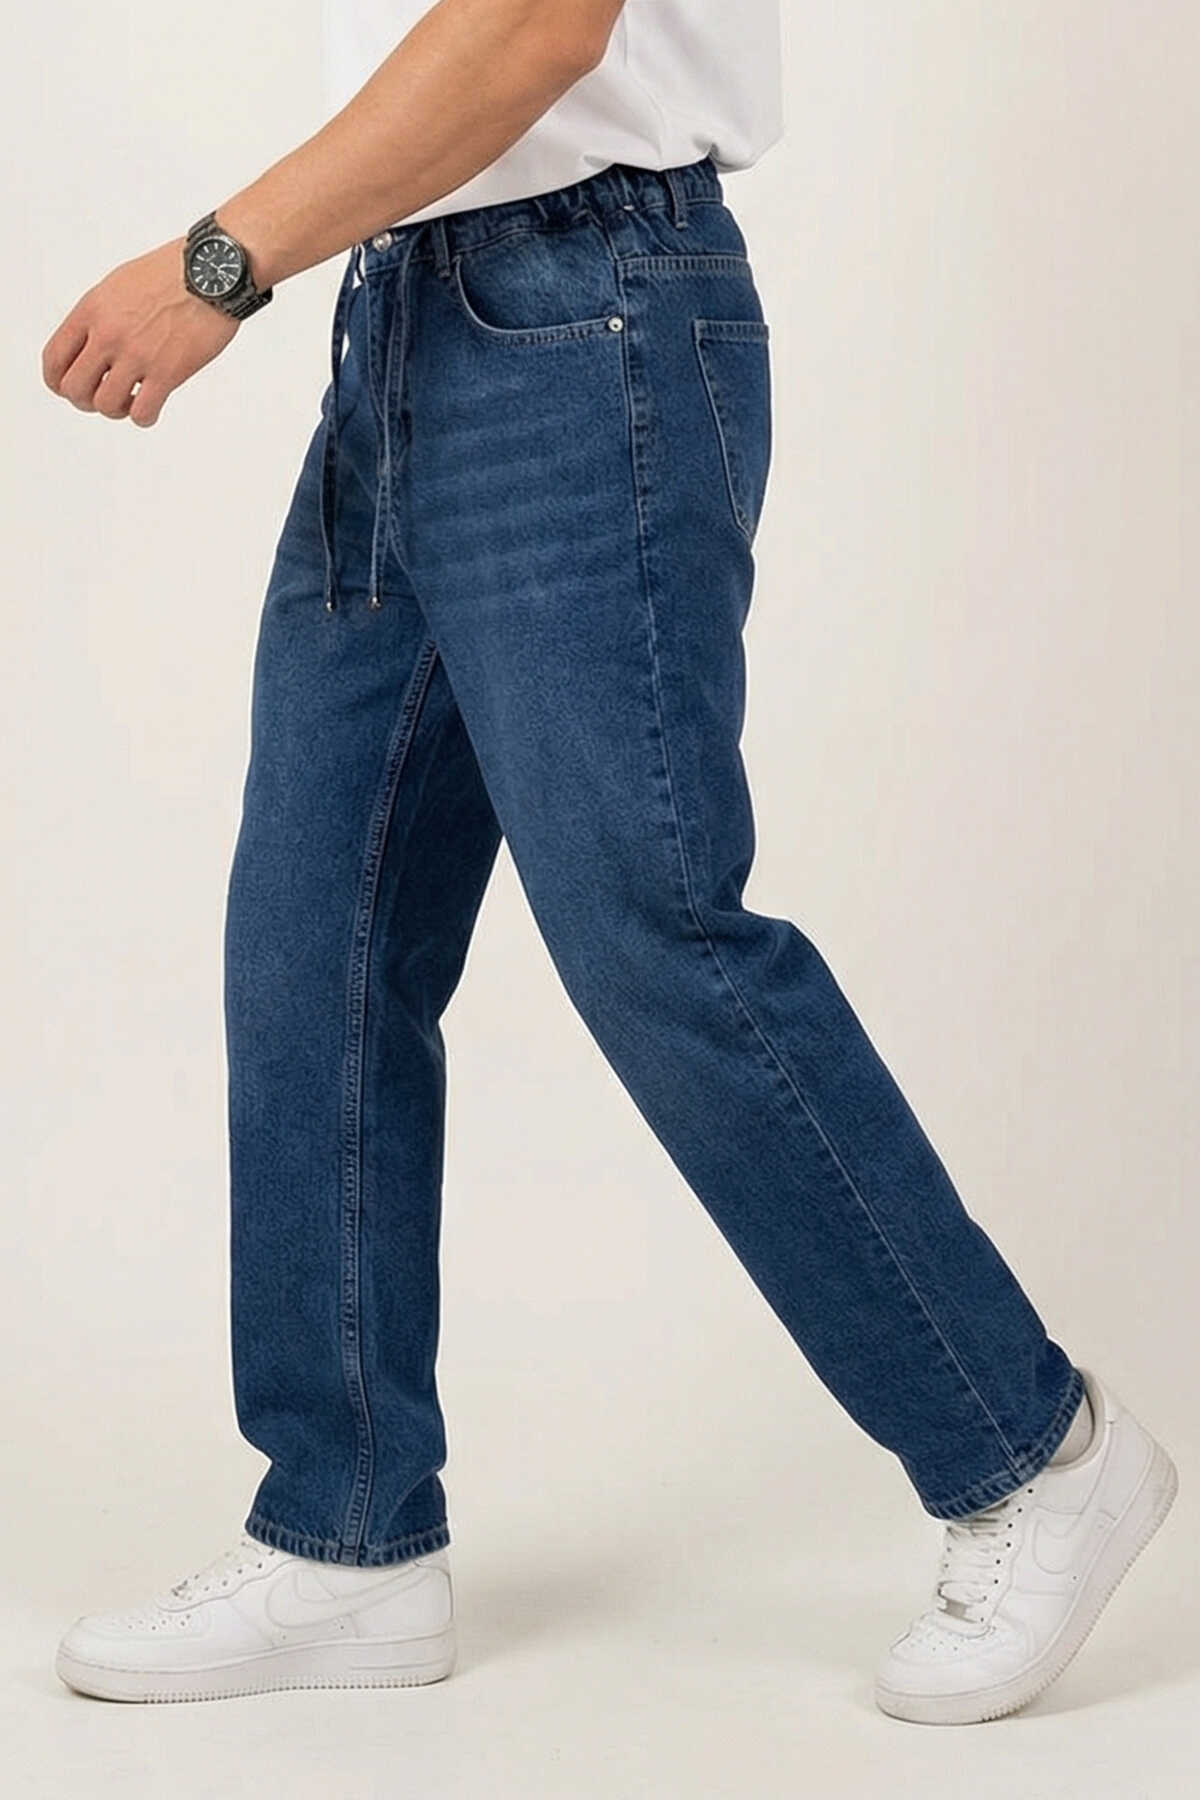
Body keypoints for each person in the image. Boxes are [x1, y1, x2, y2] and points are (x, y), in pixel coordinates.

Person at [41, 0, 1176, 1724]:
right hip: (404, 317)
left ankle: (1032, 1455)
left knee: (658, 934)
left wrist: (214, 265)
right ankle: (346, 1531)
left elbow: (537, 26)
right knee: (311, 943)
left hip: (588, 319)